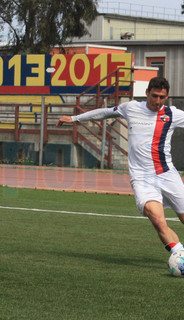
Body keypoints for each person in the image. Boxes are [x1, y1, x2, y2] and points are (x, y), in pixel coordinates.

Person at [57, 77, 184, 254]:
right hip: (142, 178)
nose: (157, 101)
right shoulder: (131, 108)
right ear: (147, 93)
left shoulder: (173, 114)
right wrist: (75, 118)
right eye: (154, 96)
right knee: (156, 218)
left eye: (161, 97)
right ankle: (179, 255)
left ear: (167, 96)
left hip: (167, 174)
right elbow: (105, 113)